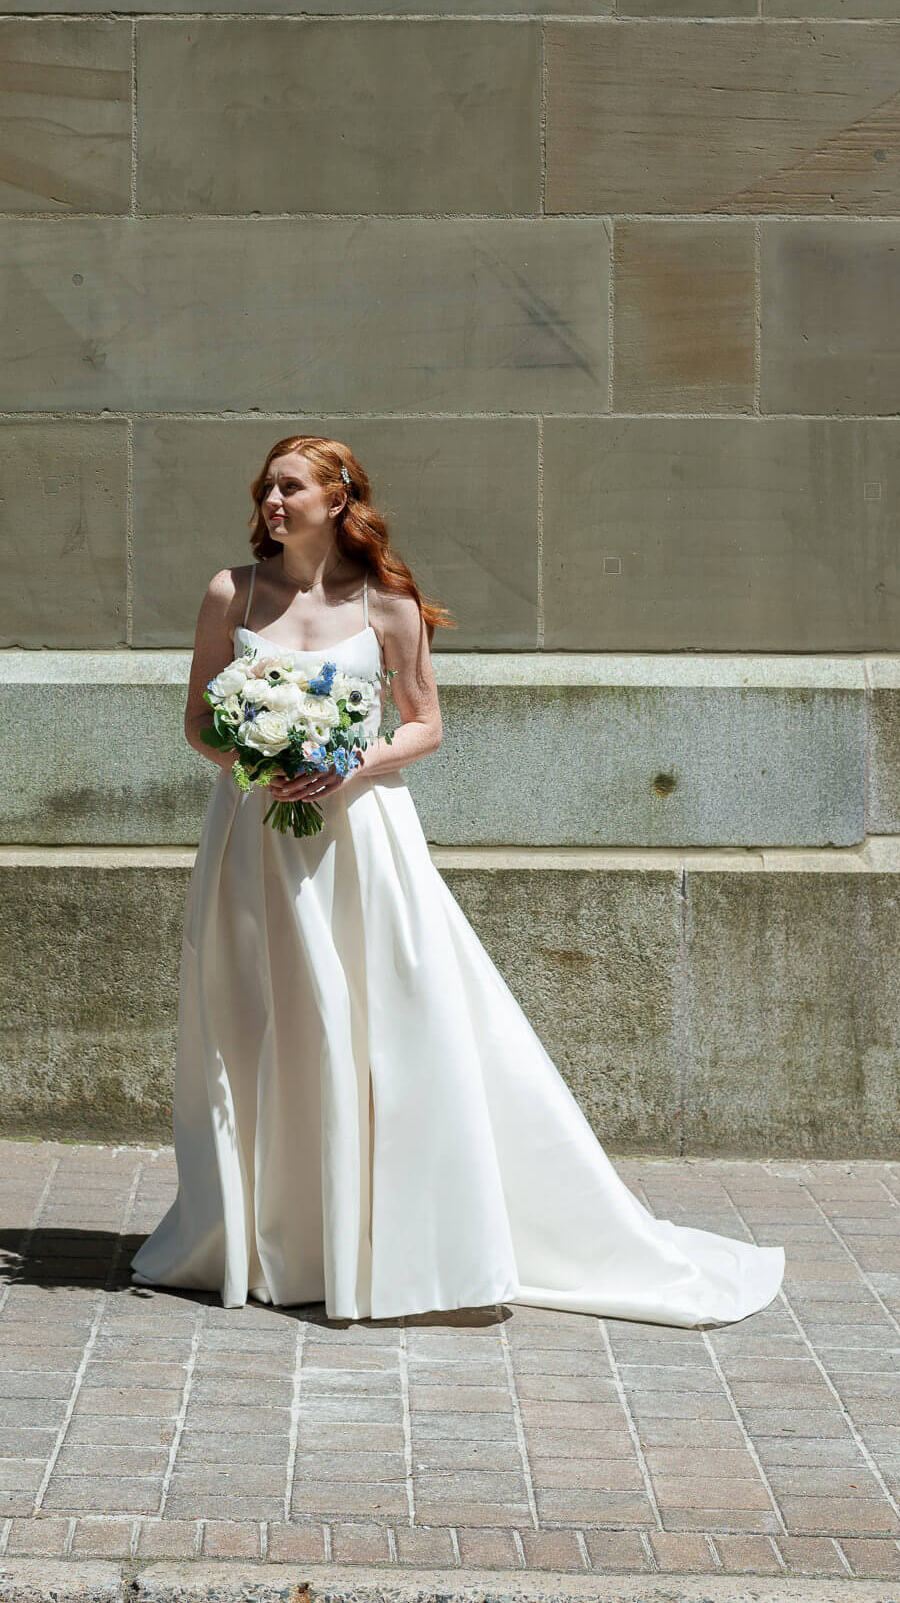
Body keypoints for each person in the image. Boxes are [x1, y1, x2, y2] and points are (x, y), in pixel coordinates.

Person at [131, 435, 784, 1328]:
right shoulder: (231, 593)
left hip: (362, 840)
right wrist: (253, 752)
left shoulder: (388, 605)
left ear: (336, 498)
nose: (271, 504)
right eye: (266, 490)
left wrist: (349, 759)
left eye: (289, 488)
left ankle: (392, 1241)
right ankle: (274, 1240)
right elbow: (197, 719)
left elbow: (426, 725)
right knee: (257, 1020)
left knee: (383, 1021)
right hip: (255, 838)